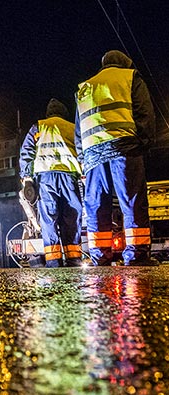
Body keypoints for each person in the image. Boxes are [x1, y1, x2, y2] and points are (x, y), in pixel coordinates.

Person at [75, 50, 156, 266]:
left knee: (97, 206)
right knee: (132, 200)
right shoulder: (130, 77)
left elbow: (79, 130)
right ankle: (136, 255)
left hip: (92, 156)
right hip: (124, 147)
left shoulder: (85, 87)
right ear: (124, 63)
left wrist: (83, 158)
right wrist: (145, 142)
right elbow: (144, 113)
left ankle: (100, 256)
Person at [19, 98, 83, 267]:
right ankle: (73, 259)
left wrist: (27, 179)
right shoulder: (72, 127)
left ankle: (53, 261)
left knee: (49, 219)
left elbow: (26, 152)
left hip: (45, 179)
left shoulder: (39, 127)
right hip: (69, 177)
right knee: (71, 217)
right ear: (64, 113)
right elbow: (82, 150)